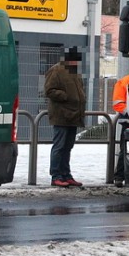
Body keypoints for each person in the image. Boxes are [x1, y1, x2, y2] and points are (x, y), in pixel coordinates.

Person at [44, 46, 86, 187]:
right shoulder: (56, 70)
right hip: (62, 115)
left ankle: (66, 175)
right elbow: (49, 90)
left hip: (73, 116)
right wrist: (65, 96)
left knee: (67, 147)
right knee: (59, 146)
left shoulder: (74, 72)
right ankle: (56, 176)